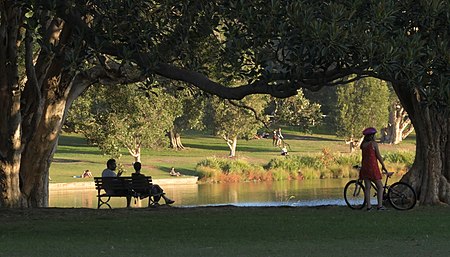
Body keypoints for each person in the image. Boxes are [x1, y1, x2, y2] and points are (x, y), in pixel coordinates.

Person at [360, 127, 391, 211]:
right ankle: (379, 206)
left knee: (367, 187)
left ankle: (369, 207)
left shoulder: (363, 145)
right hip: (373, 167)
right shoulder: (373, 144)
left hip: (365, 168)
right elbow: (378, 156)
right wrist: (383, 166)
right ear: (372, 136)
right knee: (380, 187)